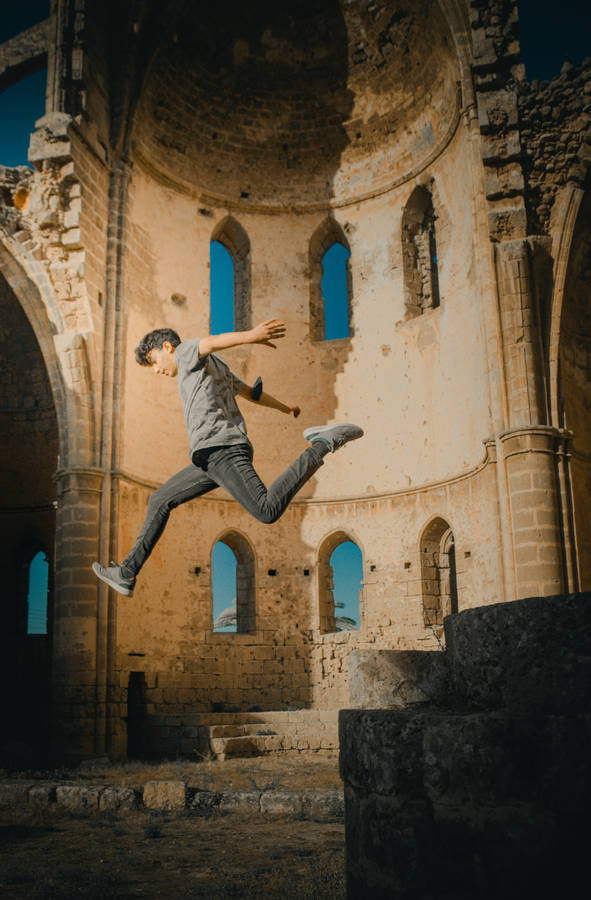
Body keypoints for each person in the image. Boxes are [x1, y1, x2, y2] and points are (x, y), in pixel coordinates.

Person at [92, 319, 363, 597]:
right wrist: (284, 407)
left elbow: (209, 341)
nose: (157, 369)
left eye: (154, 360)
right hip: (209, 459)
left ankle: (321, 444)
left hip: (223, 450)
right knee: (160, 500)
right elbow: (249, 392)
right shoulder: (215, 366)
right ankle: (126, 573)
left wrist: (250, 336)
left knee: (266, 510)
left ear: (167, 347)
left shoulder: (185, 353)